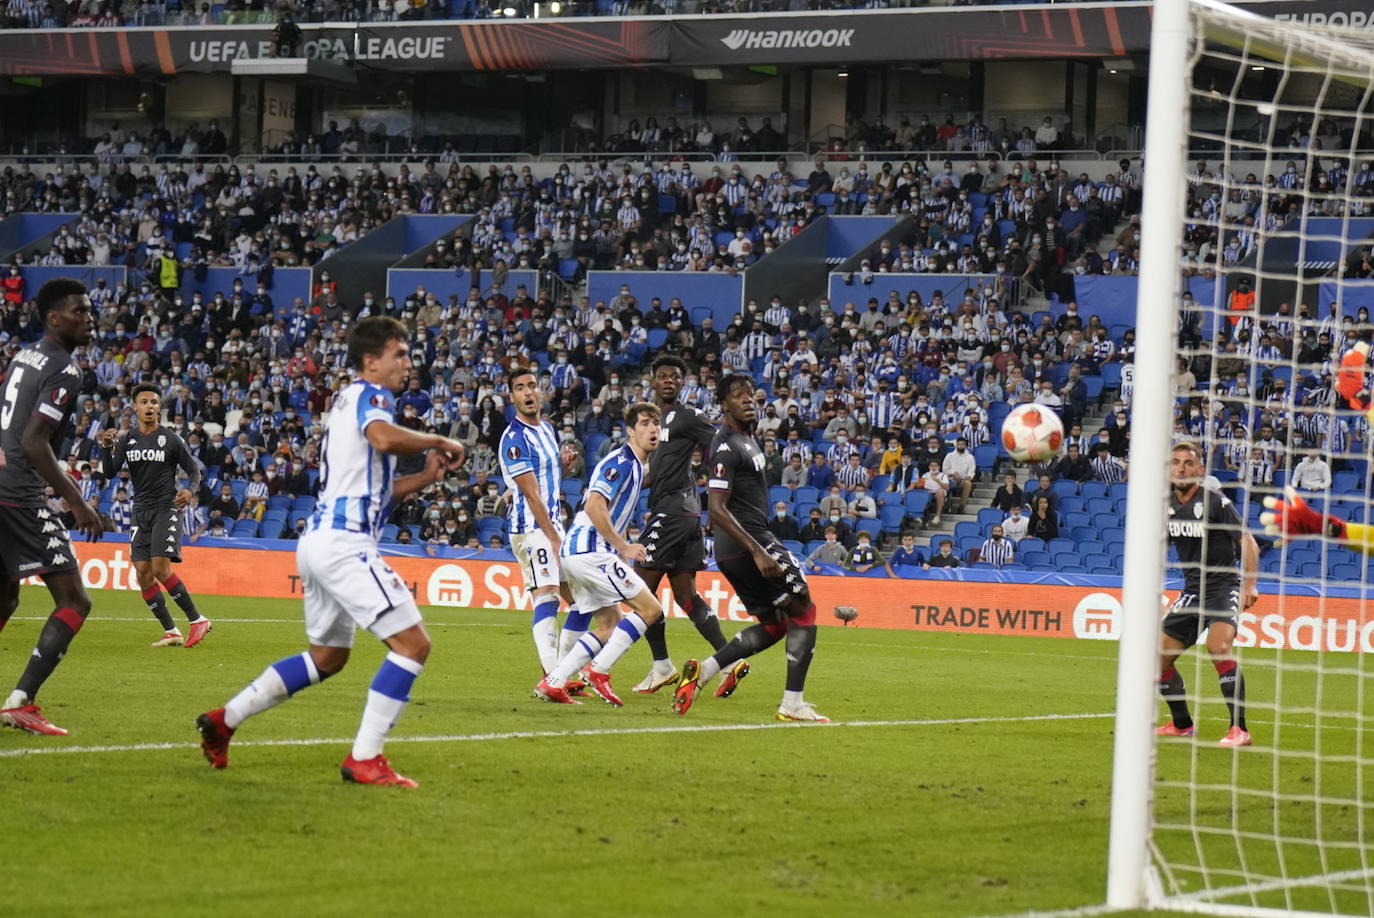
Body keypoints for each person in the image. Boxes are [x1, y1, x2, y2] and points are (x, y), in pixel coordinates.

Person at [196, 317, 466, 787]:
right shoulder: (371, 396)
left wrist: (423, 477)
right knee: (413, 644)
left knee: (327, 658)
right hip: (344, 544)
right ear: (370, 361)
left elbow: (374, 486)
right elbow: (384, 436)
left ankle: (225, 719)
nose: (407, 362)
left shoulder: (346, 402)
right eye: (398, 354)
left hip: (318, 542)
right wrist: (440, 439)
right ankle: (365, 757)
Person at [673, 374, 827, 722]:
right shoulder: (726, 445)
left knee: (775, 624)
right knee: (804, 609)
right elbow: (716, 507)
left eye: (750, 395)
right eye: (738, 396)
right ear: (724, 405)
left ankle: (706, 670)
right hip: (748, 543)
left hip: (738, 547)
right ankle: (792, 704)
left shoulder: (747, 439)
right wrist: (758, 550)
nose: (748, 400)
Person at [0, 278, 102, 735]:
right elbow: (34, 441)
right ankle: (21, 701)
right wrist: (75, 501)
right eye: (79, 311)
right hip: (18, 493)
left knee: (5, 595)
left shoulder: (23, 355)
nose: (89, 318)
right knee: (75, 599)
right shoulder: (64, 368)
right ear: (54, 318)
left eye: (90, 310)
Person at [535, 403, 665, 707]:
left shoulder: (635, 464)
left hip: (583, 551)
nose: (653, 429)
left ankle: (554, 682)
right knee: (651, 610)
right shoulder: (621, 461)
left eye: (656, 424)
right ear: (630, 431)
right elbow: (594, 505)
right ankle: (599, 672)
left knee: (609, 623)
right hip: (590, 551)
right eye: (645, 424)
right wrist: (623, 546)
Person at [632, 356, 742, 695]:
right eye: (662, 375)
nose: (668, 380)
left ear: (683, 383)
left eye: (674, 376)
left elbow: (721, 447)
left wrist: (721, 484)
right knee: (685, 595)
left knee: (639, 590)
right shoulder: (651, 422)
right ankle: (730, 659)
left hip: (674, 513)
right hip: (684, 514)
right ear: (652, 382)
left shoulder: (688, 416)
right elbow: (655, 472)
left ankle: (661, 666)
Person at [1158, 442, 1258, 747]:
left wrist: (1249, 586)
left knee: (1218, 647)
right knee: (1156, 661)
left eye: (1188, 463)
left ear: (1200, 470)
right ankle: (1182, 725)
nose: (1181, 468)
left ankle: (1239, 729)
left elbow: (1249, 542)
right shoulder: (1166, 505)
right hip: (1191, 592)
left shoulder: (1215, 502)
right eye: (1176, 462)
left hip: (1222, 589)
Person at [97, 384, 213, 648]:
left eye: (154, 402)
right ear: (135, 407)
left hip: (166, 507)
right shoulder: (126, 439)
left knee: (160, 568)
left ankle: (197, 620)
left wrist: (190, 491)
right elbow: (108, 472)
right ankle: (171, 631)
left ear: (159, 408)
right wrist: (106, 447)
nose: (150, 406)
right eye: (145, 402)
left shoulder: (171, 439)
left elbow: (194, 471)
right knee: (142, 572)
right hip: (140, 510)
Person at [498, 368, 584, 687]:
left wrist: (564, 465)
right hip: (532, 528)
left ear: (541, 391)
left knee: (581, 601)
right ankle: (553, 677)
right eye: (520, 388)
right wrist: (554, 537)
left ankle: (560, 672)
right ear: (513, 397)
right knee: (546, 596)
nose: (528, 392)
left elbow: (547, 477)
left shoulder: (547, 429)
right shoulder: (514, 439)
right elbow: (532, 494)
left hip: (550, 527)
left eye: (532, 385)